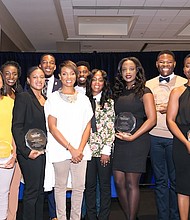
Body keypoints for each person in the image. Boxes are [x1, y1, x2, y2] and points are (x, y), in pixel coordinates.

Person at [44, 60, 93, 220]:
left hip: (81, 151)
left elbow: (88, 126)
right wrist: (70, 148)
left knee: (79, 188)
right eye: (64, 74)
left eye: (72, 73)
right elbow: (52, 127)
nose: (69, 77)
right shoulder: (53, 98)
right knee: (60, 187)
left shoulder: (84, 99)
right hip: (60, 150)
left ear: (77, 75)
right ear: (60, 76)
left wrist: (78, 149)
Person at [112, 57, 156, 220]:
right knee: (118, 181)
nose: (128, 72)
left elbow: (152, 119)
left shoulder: (145, 91)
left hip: (137, 141)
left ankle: (131, 218)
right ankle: (131, 215)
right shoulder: (118, 92)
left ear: (137, 70)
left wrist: (133, 137)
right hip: (120, 141)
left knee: (132, 183)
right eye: (124, 69)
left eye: (131, 69)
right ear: (120, 72)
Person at [146, 50, 187, 220]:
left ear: (175, 64)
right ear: (156, 64)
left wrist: (168, 107)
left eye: (169, 62)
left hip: (175, 139)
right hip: (154, 137)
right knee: (160, 181)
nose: (165, 65)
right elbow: (147, 109)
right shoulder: (149, 83)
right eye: (161, 62)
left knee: (177, 181)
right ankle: (163, 216)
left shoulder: (185, 83)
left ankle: (176, 216)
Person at [12, 66, 46, 220]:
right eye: (35, 77)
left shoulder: (46, 99)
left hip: (43, 151)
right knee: (32, 191)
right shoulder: (24, 97)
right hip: (29, 153)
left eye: (41, 77)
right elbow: (17, 126)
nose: (39, 80)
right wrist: (26, 151)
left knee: (40, 190)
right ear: (28, 80)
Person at [84, 69, 115, 220]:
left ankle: (103, 217)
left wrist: (106, 150)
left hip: (103, 152)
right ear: (89, 82)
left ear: (104, 83)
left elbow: (110, 127)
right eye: (94, 80)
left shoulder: (109, 102)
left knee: (104, 186)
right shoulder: (82, 101)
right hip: (86, 152)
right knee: (89, 187)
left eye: (100, 80)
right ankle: (91, 216)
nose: (97, 83)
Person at [166, 54, 190, 220]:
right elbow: (170, 120)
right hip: (182, 143)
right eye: (188, 65)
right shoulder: (177, 91)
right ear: (184, 69)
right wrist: (186, 142)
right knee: (183, 186)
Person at [39, 53, 62, 220]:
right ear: (40, 65)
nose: (48, 65)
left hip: (56, 138)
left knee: (55, 178)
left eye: (51, 63)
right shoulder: (33, 84)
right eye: (44, 62)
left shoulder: (63, 85)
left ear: (55, 67)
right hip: (37, 139)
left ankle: (54, 215)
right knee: (40, 177)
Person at [1, 60, 23, 220]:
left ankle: (11, 217)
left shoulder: (20, 96)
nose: (11, 76)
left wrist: (16, 151)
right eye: (7, 73)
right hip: (3, 150)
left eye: (14, 73)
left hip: (17, 149)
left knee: (13, 188)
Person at [0, 71, 17, 220]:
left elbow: (15, 130)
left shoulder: (11, 102)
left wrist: (15, 155)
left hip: (6, 155)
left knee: (3, 192)